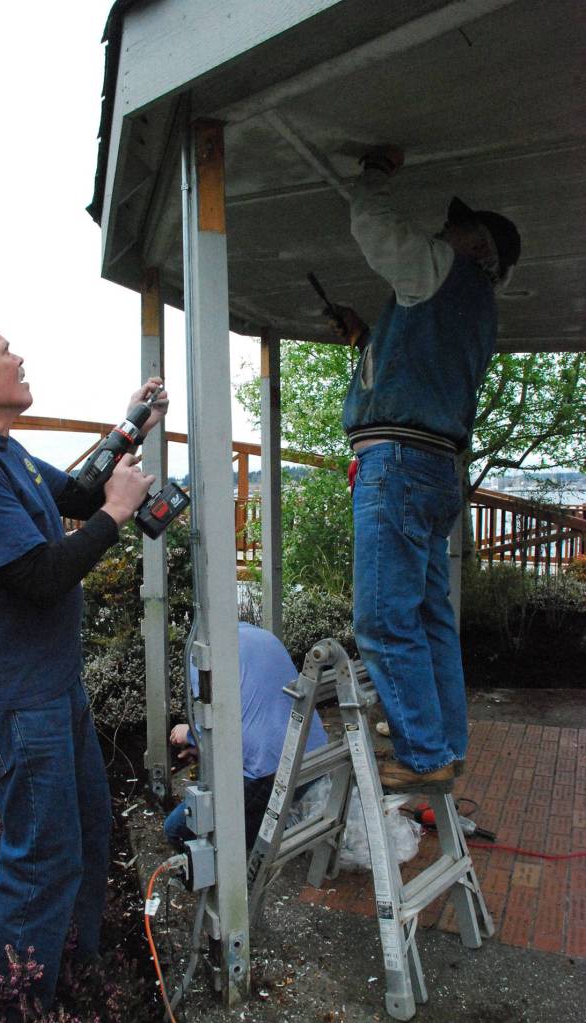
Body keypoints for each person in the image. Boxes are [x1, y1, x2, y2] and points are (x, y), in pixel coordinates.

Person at [0, 318, 167, 1013]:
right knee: (40, 862)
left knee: (84, 833)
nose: (18, 356)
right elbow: (36, 575)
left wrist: (129, 426)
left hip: (51, 691)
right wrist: (118, 516)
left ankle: (75, 978)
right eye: (2, 351)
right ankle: (19, 1005)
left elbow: (79, 495)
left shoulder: (2, 451)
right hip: (12, 705)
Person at [338, 147, 521, 794]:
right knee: (428, 615)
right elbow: (417, 372)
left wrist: (374, 176)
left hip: (399, 464)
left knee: (383, 618)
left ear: (477, 251)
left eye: (454, 230)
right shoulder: (475, 309)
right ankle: (443, 741)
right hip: (434, 467)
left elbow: (373, 227)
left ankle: (422, 753)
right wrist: (366, 338)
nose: (440, 233)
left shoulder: (443, 272)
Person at [164, 621, 327, 849]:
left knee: (176, 830)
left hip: (270, 772)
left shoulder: (204, 653)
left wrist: (190, 734)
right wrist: (201, 745)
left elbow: (214, 722)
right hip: (315, 757)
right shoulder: (263, 636)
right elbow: (250, 712)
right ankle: (278, 821)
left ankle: (268, 838)